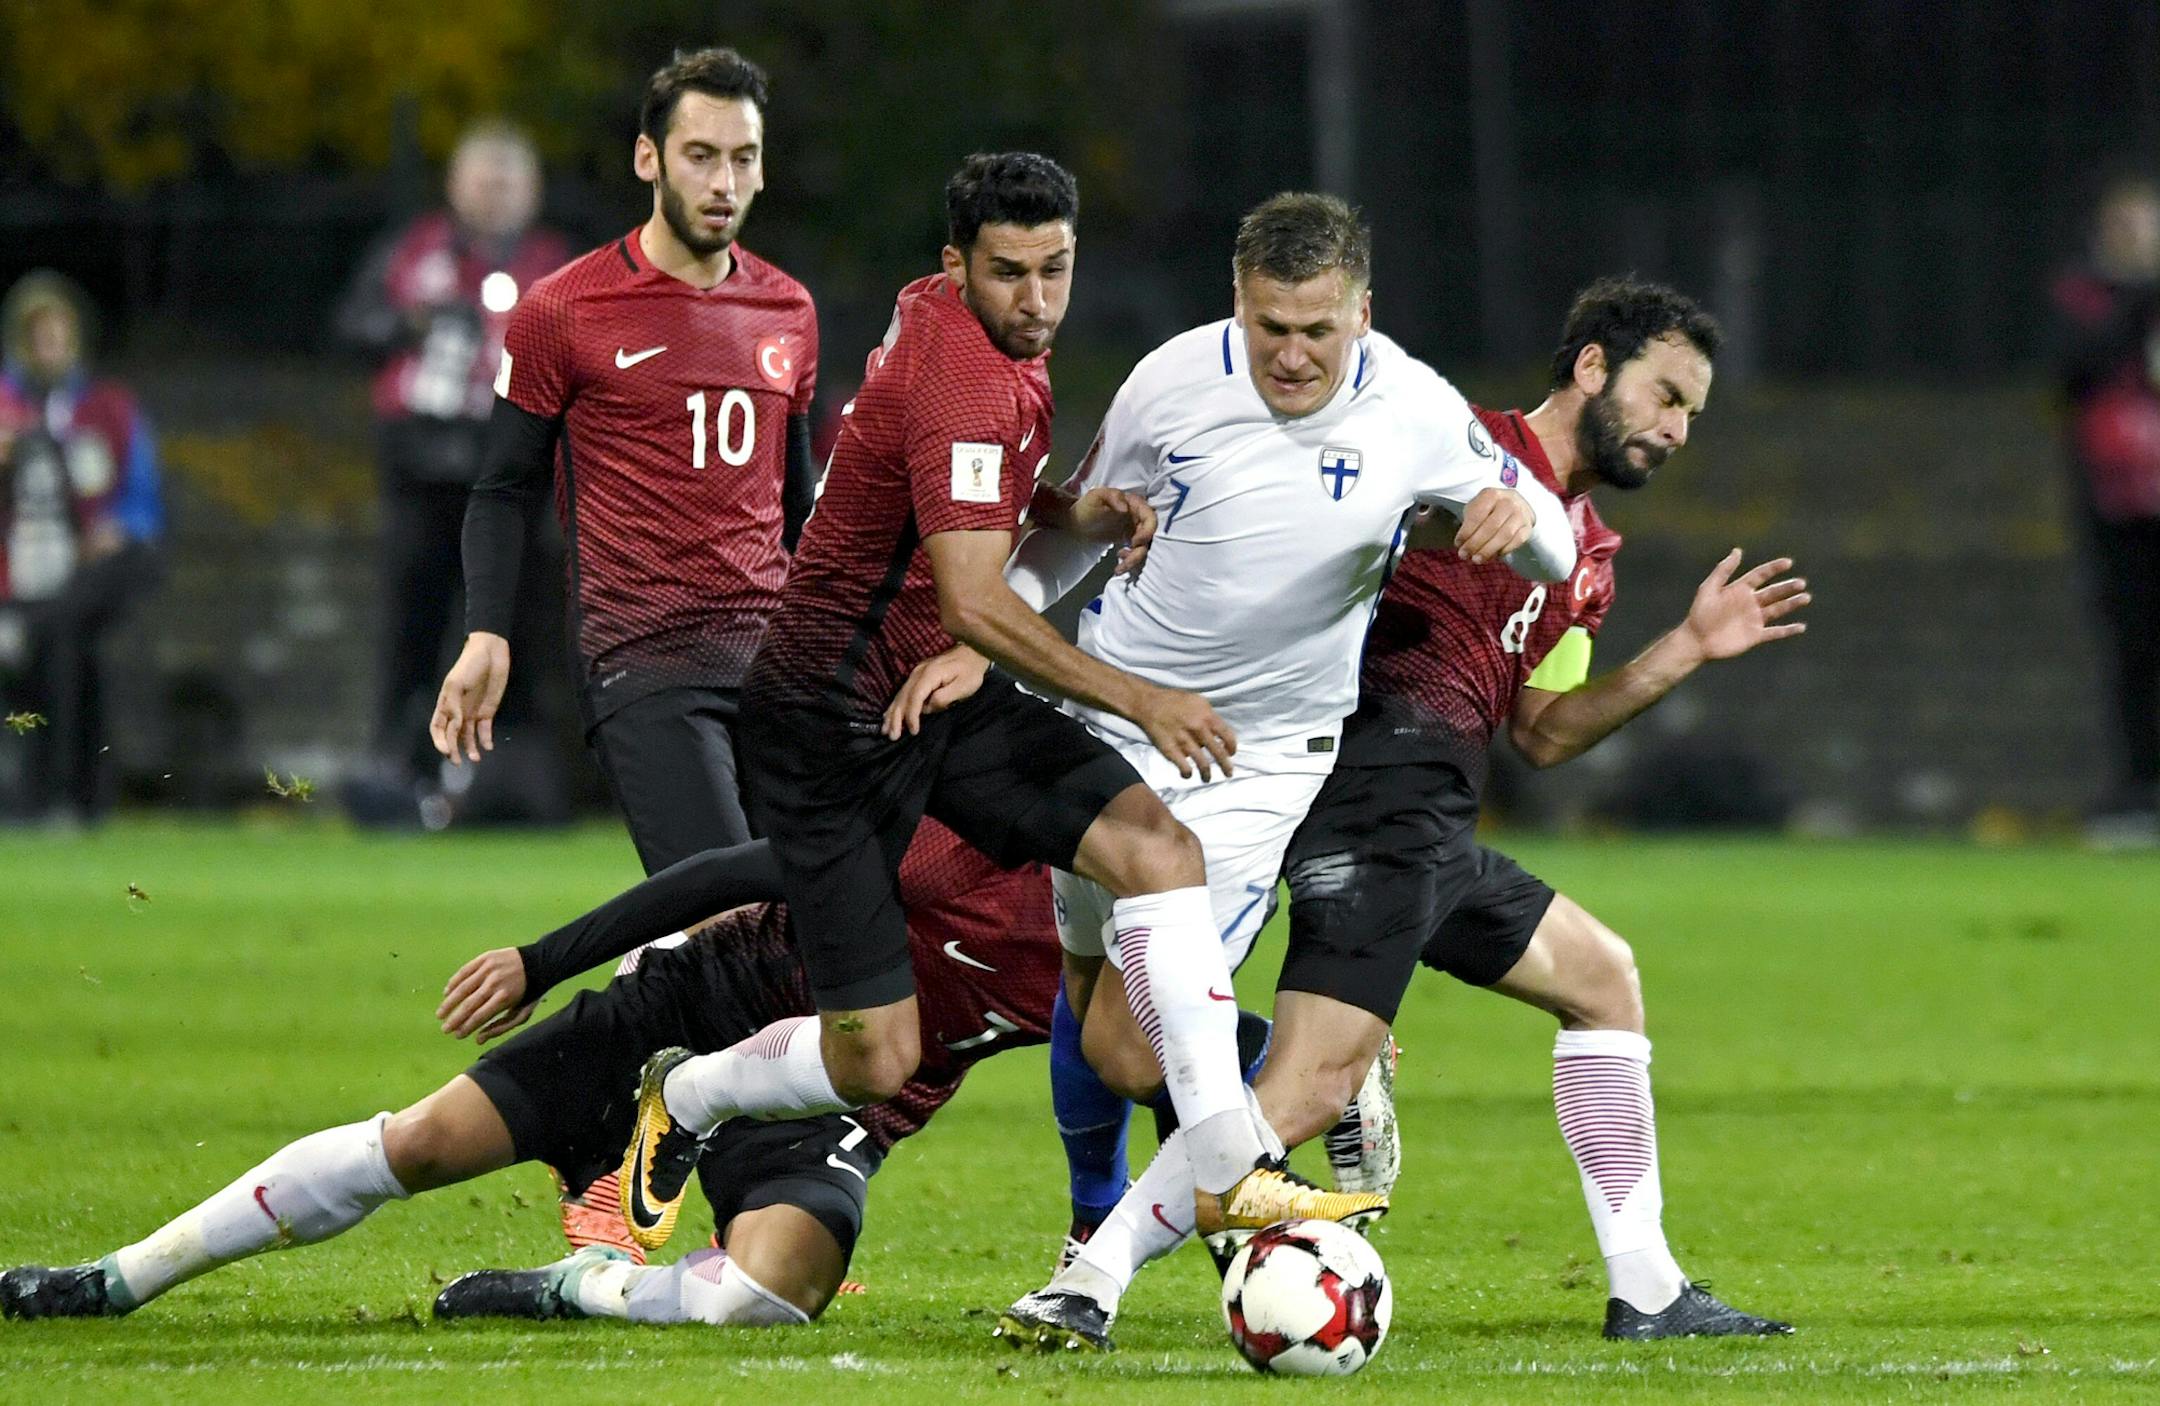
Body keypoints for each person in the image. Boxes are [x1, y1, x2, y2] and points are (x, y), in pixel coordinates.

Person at [617, 156, 1385, 1266]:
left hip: (928, 695)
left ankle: (1232, 1169)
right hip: (830, 722)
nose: (1036, 297)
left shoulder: (942, 320)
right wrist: (1142, 698)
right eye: (1009, 272)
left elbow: (955, 486)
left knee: (1156, 849)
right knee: (879, 1056)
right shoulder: (966, 378)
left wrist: (1070, 507)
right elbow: (979, 602)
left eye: (1055, 268)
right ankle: (685, 1093)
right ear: (955, 268)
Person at [1037, 277, 1805, 1345]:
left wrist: (1683, 648)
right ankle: (1095, 1278)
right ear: (1592, 365)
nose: (1676, 429)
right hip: (1368, 789)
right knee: (1270, 1078)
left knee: (1602, 978)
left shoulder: (1588, 558)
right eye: (1665, 395)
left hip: (1436, 817)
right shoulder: (1448, 438)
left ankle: (1651, 1287)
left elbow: (1540, 729)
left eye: (1691, 413)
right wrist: (1433, 519)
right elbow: (1327, 500)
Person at [965, 192, 1577, 1351]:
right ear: (1235, 306)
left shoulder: (1412, 404)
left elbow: (1545, 527)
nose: (1291, 355)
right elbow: (1076, 532)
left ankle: (1092, 1271)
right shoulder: (1171, 380)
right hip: (1114, 716)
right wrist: (981, 632)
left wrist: (1512, 519)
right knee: (1106, 1037)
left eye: (1317, 330)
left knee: (1145, 1046)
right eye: (1268, 327)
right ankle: (1294, 1080)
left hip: (1258, 761)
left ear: (1362, 313)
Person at [0, 820, 1049, 1326]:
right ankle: (118, 1276)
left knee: (769, 1298)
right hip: (696, 1007)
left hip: (825, 1106)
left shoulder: (1119, 952)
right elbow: (734, 870)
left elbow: (1149, 1071)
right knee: (417, 1144)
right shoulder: (965, 842)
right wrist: (540, 961)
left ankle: (574, 1286)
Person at [431, 47, 821, 874]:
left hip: (775, 664)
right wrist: (487, 631)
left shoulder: (788, 309)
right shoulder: (565, 310)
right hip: (645, 659)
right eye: (701, 155)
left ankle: (649, 978)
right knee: (731, 913)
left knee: (806, 932)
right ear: (649, 159)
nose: (723, 183)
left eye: (742, 159)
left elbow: (796, 506)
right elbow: (503, 488)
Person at [336, 121, 573, 826]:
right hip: (422, 468)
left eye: (509, 181)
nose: (496, 195)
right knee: (414, 624)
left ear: (531, 193)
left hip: (513, 474)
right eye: (483, 179)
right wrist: (409, 322)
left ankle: (514, 785)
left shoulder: (554, 265)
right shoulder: (414, 253)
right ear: (455, 185)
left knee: (515, 629)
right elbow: (352, 327)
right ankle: (397, 777)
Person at [0, 270, 165, 823]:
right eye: (39, 335)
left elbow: (143, 503)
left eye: (60, 333)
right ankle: (70, 796)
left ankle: (56, 794)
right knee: (63, 641)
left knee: (59, 626)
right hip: (20, 569)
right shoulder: (5, 409)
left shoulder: (108, 408)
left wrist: (116, 526)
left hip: (93, 567)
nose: (51, 347)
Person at [2052, 170, 2160, 847]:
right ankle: (2139, 786)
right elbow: (2073, 373)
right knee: (2133, 649)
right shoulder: (2084, 299)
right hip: (2119, 504)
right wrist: (2136, 298)